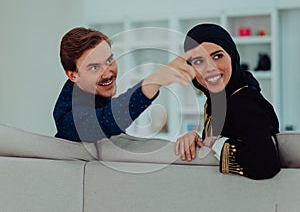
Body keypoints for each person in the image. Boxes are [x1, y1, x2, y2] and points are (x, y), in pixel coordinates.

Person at [175, 23, 281, 180]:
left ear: (232, 56)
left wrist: (215, 144)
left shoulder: (244, 100)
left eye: (217, 56)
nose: (210, 68)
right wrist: (196, 139)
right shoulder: (217, 101)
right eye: (198, 61)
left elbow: (266, 164)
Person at [53, 27, 195, 142]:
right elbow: (105, 121)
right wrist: (153, 81)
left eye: (109, 61)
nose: (108, 74)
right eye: (94, 67)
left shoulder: (93, 95)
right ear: (73, 75)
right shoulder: (68, 117)